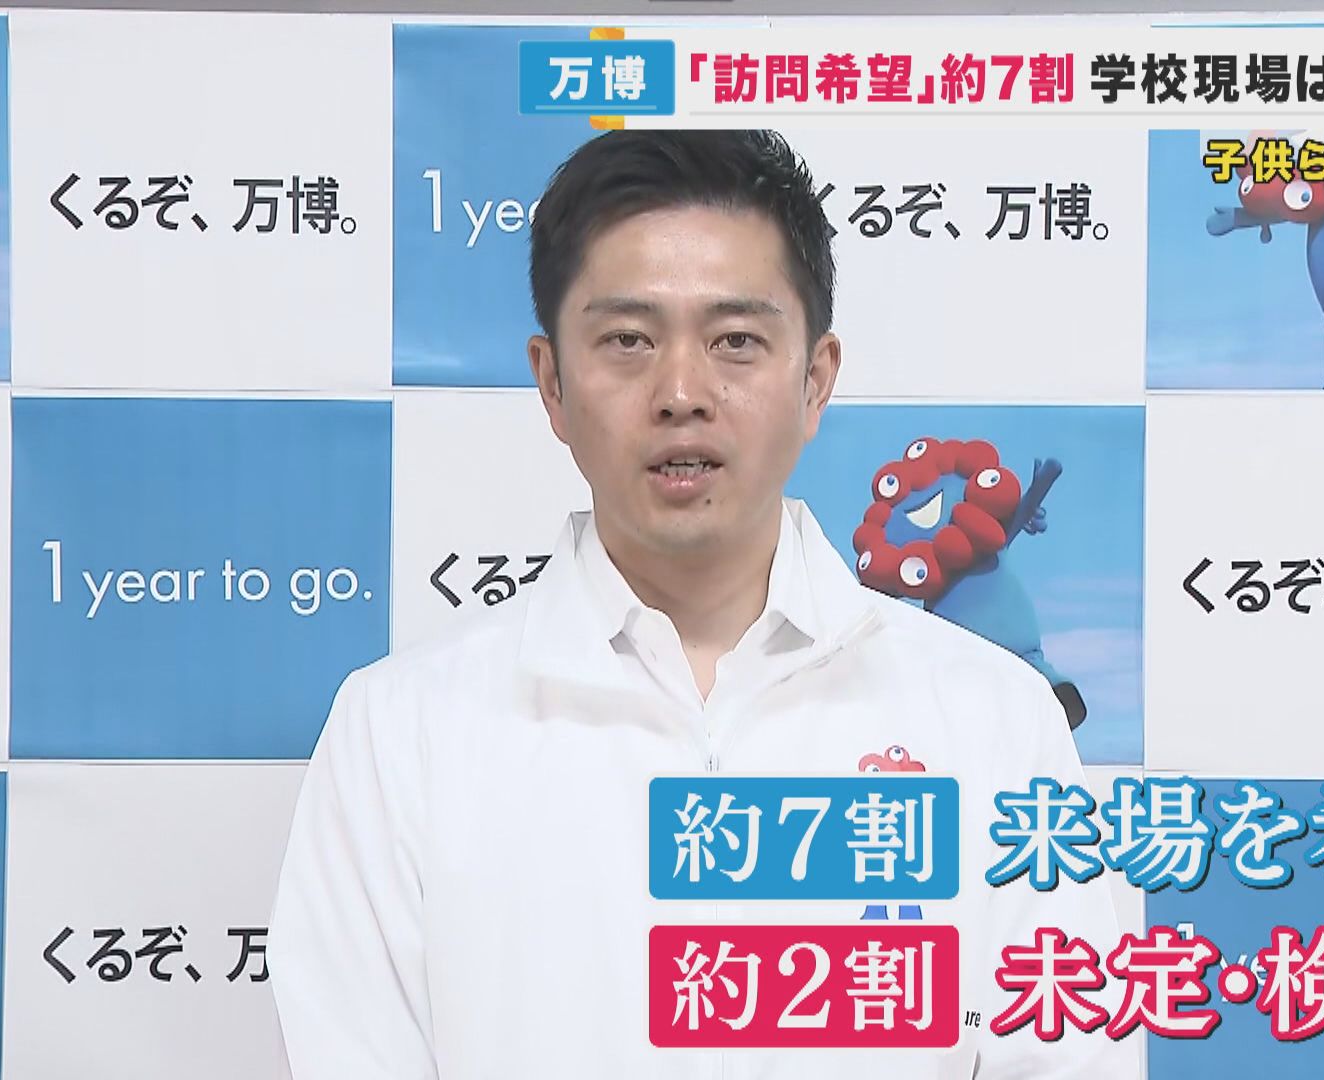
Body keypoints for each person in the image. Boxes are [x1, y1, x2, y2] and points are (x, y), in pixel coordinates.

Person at [269, 128, 1133, 1079]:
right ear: (551, 384)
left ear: (815, 382)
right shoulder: (401, 734)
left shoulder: (993, 719)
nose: (681, 392)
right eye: (628, 341)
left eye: (736, 342)